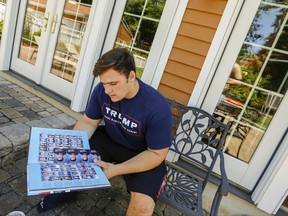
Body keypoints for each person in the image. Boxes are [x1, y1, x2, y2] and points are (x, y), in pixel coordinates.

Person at [37, 48, 173, 215]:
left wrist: (117, 169)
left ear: (131, 76)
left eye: (113, 84)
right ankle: (65, 193)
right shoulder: (102, 90)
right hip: (110, 139)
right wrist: (71, 146)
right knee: (68, 153)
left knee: (143, 206)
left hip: (143, 153)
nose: (107, 91)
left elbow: (157, 154)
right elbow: (88, 122)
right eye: (104, 84)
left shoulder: (157, 108)